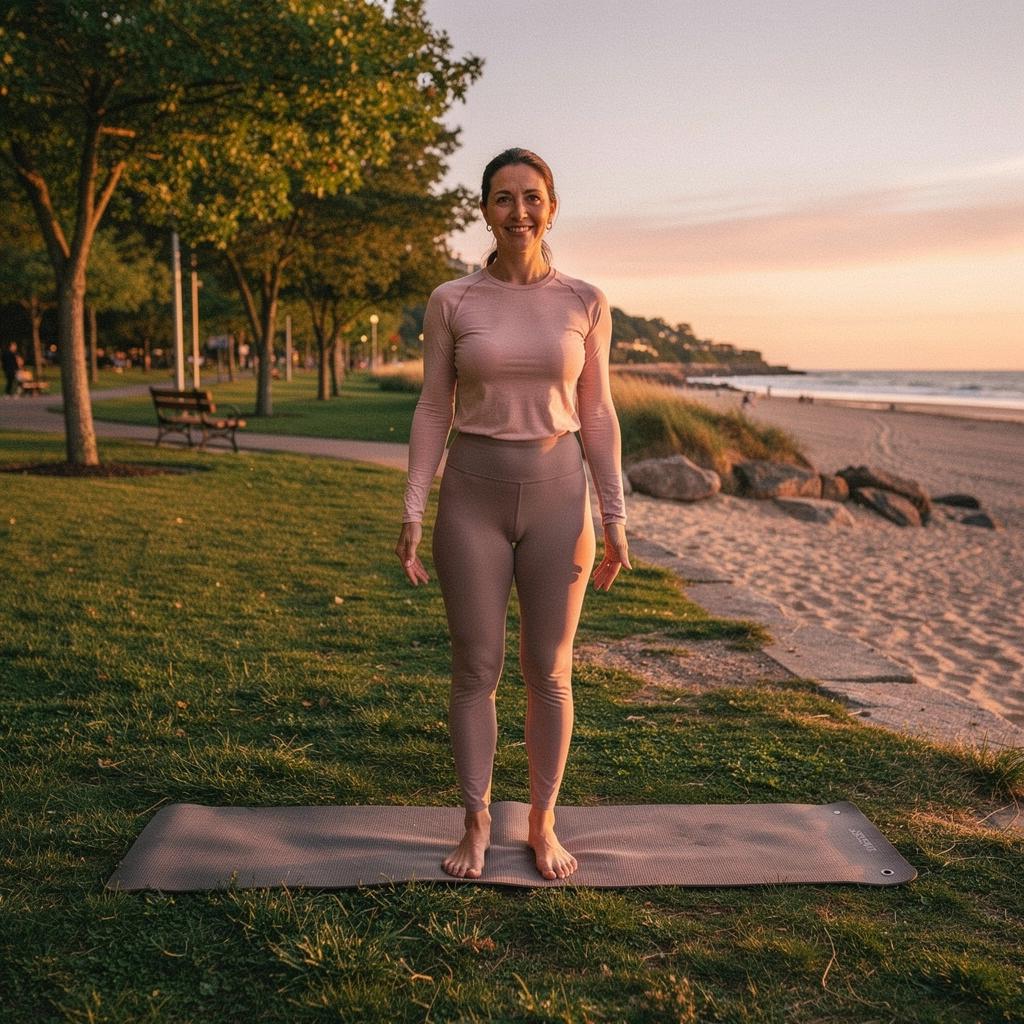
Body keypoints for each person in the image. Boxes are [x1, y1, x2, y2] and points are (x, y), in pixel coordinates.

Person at [395, 148, 631, 881]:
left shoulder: (585, 301)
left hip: (561, 496)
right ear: (486, 211)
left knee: (550, 671)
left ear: (552, 208)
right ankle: (475, 822)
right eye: (503, 198)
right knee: (476, 668)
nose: (519, 212)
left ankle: (542, 823)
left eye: (532, 198)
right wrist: (413, 504)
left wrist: (615, 514)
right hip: (473, 496)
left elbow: (597, 412)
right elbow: (434, 406)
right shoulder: (452, 301)